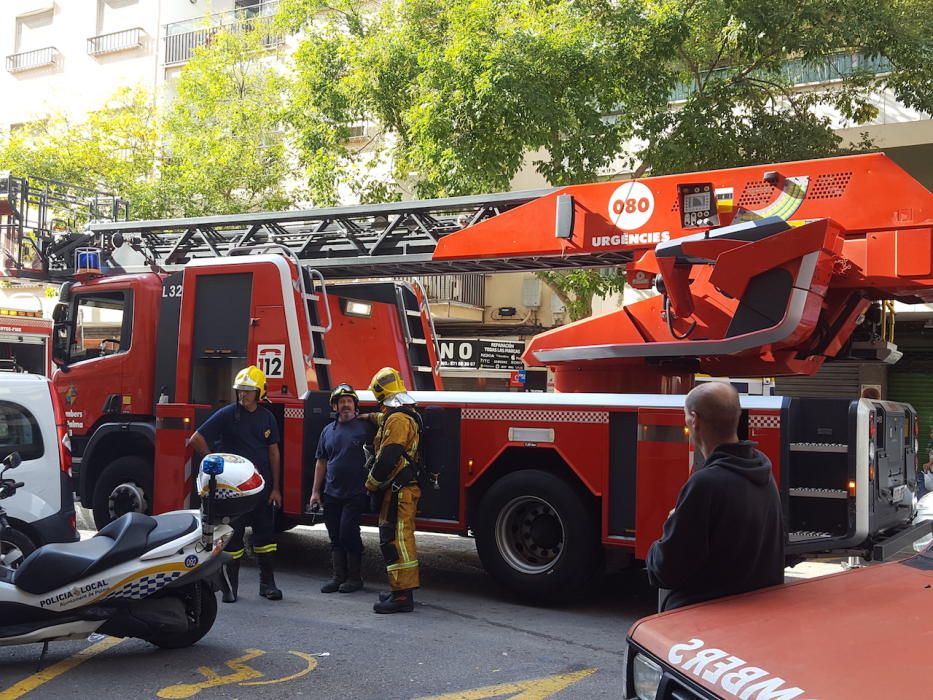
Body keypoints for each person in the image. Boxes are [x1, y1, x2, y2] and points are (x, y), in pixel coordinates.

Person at [646, 382, 785, 612]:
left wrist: (670, 525)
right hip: (750, 617)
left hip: (704, 621)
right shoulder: (762, 469)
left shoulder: (705, 485)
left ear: (694, 419)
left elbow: (664, 571)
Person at [188, 365, 283, 603]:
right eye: (240, 390)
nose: (243, 395)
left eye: (248, 391)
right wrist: (213, 460)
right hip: (235, 492)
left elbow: (274, 453)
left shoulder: (267, 417)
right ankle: (230, 589)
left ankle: (268, 585)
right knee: (233, 538)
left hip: (261, 488)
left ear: (259, 392)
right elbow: (195, 439)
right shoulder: (228, 414)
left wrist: (276, 488)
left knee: (266, 537)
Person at [364, 367, 422, 614]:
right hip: (399, 490)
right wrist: (367, 417)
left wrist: (371, 483)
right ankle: (397, 589)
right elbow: (384, 420)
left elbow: (389, 456)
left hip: (400, 492)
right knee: (392, 539)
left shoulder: (398, 419)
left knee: (398, 542)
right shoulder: (402, 413)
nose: (379, 407)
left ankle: (402, 598)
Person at [310, 383, 375, 594]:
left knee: (348, 533)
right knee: (335, 536)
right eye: (341, 402)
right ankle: (338, 577)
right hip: (331, 493)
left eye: (349, 401)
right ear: (335, 406)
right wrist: (315, 492)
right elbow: (321, 462)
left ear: (355, 406)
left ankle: (355, 578)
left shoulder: (365, 429)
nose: (345, 405)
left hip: (356, 493)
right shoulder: (327, 431)